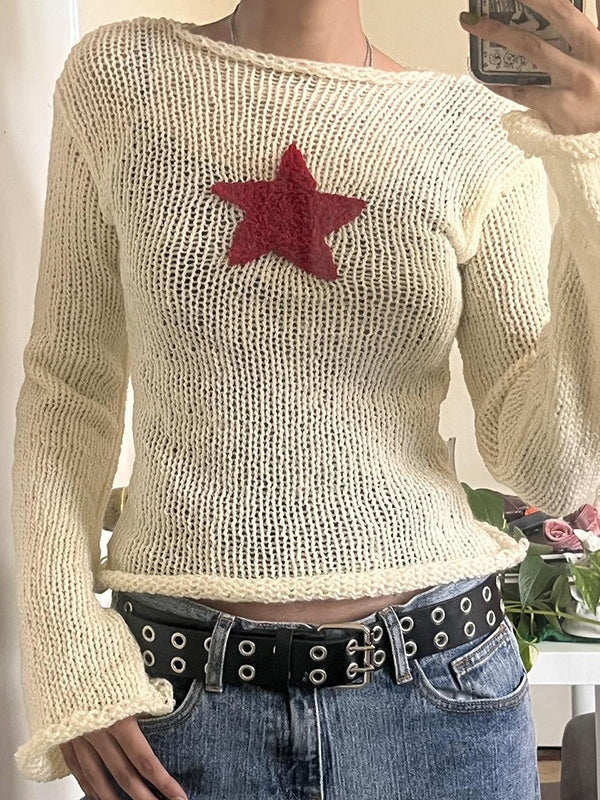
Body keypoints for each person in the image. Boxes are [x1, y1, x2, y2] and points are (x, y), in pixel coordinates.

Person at [10, 0, 600, 798]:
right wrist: (65, 645)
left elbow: (553, 468)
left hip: (443, 701)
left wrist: (589, 162)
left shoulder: (479, 128)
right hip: (182, 702)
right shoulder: (122, 79)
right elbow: (68, 387)